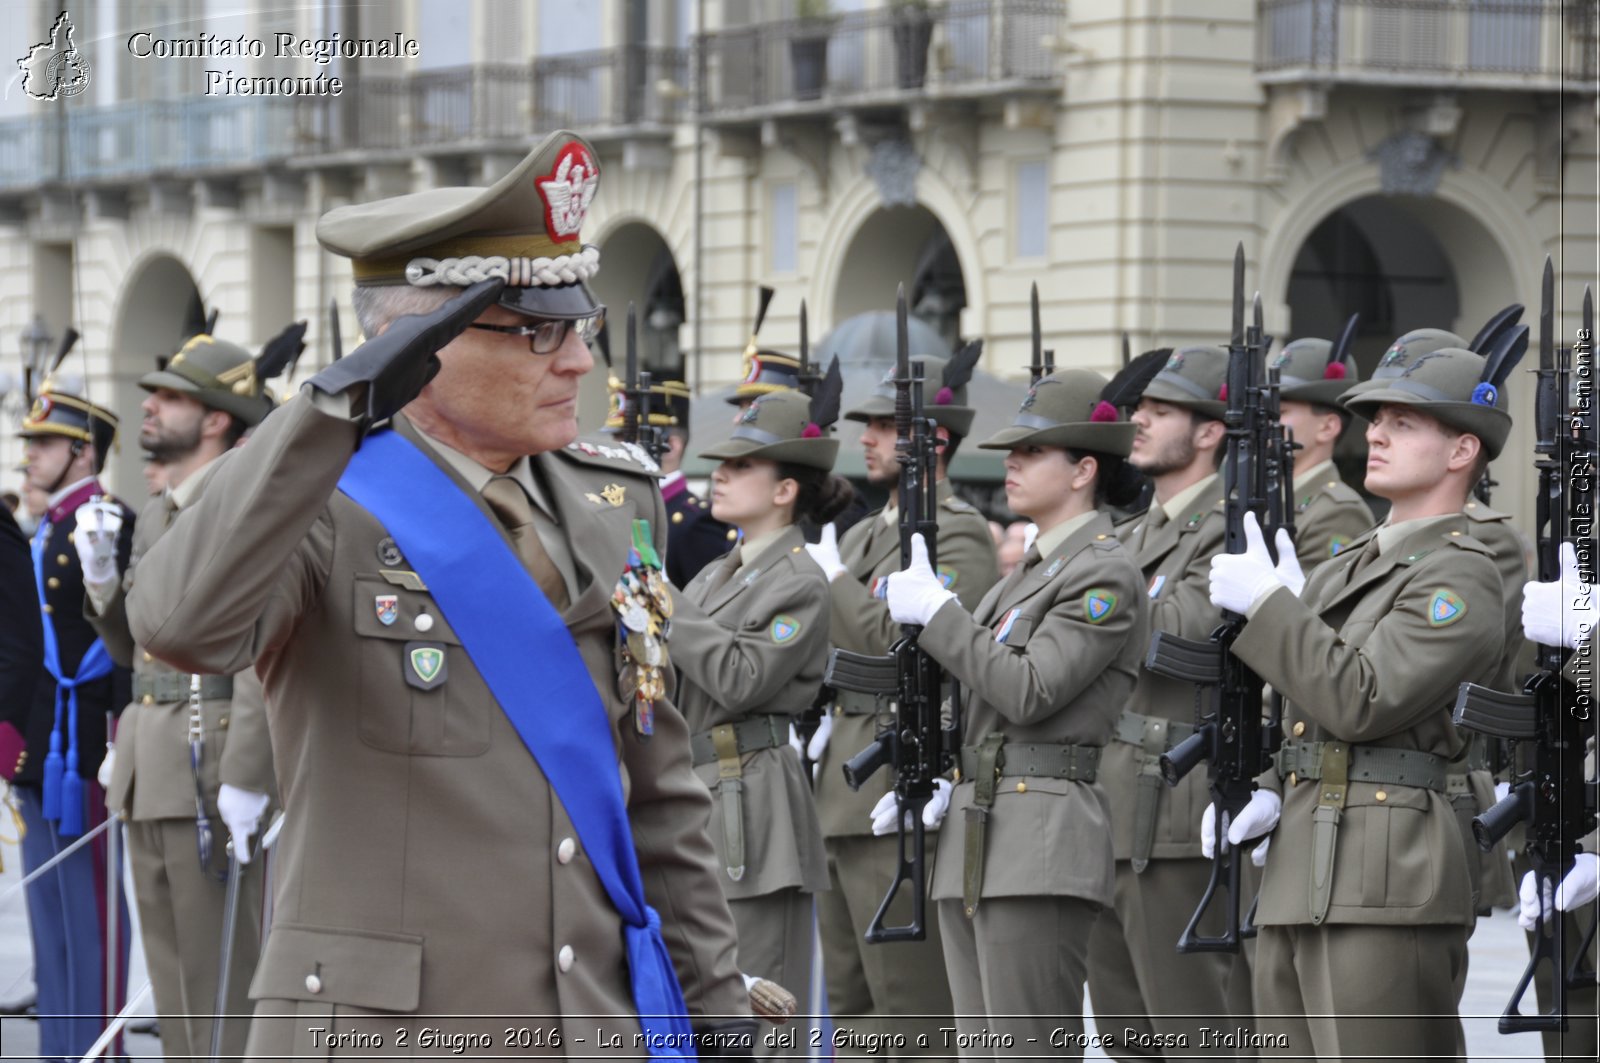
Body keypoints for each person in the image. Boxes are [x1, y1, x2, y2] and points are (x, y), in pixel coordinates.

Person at [123, 130, 753, 1057]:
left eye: (580, 326)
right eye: (539, 331)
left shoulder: (609, 500)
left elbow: (660, 799)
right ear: (416, 347)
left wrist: (720, 1024)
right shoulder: (319, 500)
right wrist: (327, 405)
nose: (579, 361)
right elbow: (176, 624)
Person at [1207, 346, 1510, 1056]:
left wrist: (1269, 603)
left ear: (1463, 448)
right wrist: (1269, 784)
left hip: (1386, 871)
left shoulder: (1462, 575)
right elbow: (1304, 708)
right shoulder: (1349, 566)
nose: (1373, 434)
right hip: (1299, 863)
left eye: (1403, 422)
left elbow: (1362, 698)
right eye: (1376, 420)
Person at [883, 369, 1150, 1057]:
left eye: (1033, 451)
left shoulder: (1102, 572)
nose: (1012, 462)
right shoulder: (1024, 575)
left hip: (1041, 834)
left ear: (1084, 468)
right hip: (980, 826)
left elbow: (1031, 688)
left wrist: (941, 614)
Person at [84, 334, 279, 1060]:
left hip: (212, 766)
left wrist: (249, 773)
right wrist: (102, 576)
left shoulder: (246, 506)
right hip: (150, 764)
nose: (149, 407)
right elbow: (132, 643)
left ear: (218, 417)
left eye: (168, 397)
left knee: (220, 982)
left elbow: (265, 648)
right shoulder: (162, 510)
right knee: (171, 982)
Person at [803, 350, 999, 1055]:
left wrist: (832, 584)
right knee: (851, 1007)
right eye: (870, 425)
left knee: (910, 1011)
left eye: (886, 426)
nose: (867, 438)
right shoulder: (860, 534)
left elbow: (908, 644)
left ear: (933, 440)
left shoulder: (960, 530)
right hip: (839, 786)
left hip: (897, 782)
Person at [671, 385, 852, 1055]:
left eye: (742, 464)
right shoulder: (717, 574)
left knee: (763, 1019)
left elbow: (742, 676)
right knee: (707, 1012)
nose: (719, 472)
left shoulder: (799, 580)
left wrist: (661, 601)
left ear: (784, 490)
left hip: (753, 802)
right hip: (697, 793)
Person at [1087, 345, 1241, 1055]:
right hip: (1106, 805)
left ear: (1209, 430)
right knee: (1125, 1037)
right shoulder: (1132, 533)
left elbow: (1174, 632)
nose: (1138, 420)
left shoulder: (1227, 528)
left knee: (1191, 1035)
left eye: (1161, 410)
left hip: (1173, 804)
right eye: (1139, 408)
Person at [5, 381, 134, 1059]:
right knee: (50, 913)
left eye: (45, 443)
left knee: (90, 913)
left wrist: (121, 733)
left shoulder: (108, 519)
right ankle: (61, 1045)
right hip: (41, 747)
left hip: (81, 745)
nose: (30, 456)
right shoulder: (50, 526)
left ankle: (99, 1048)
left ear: (83, 454)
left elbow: (127, 644)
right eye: (29, 443)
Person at [605, 376, 736, 587]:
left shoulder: (694, 522)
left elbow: (704, 608)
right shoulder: (624, 507)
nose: (615, 451)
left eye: (628, 440)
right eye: (617, 440)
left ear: (671, 446)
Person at [1270, 337, 1375, 567]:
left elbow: (1309, 602)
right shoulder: (1267, 498)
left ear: (1327, 427)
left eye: (1281, 412)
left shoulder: (1337, 512)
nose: (1268, 422)